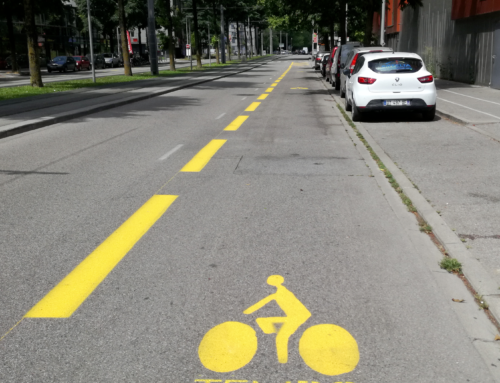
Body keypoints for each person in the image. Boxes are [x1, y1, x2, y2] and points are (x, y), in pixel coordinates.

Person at [243, 275, 311, 363]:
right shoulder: (280, 291)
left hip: (298, 317)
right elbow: (265, 301)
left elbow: (265, 300)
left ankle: (282, 360)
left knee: (281, 337)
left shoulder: (282, 292)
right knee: (262, 321)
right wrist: (248, 311)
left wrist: (249, 311)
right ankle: (281, 329)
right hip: (295, 316)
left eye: (270, 283)